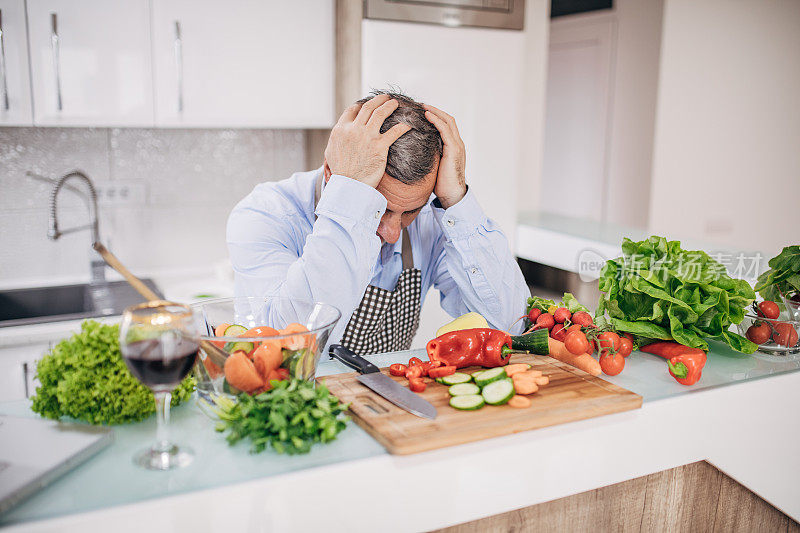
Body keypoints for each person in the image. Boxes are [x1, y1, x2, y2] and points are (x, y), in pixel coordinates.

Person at [227, 90, 529, 355]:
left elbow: (510, 328)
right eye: (378, 210)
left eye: (409, 212)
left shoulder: (429, 221)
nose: (393, 234)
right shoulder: (266, 215)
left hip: (386, 405)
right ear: (333, 174)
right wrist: (350, 199)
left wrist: (457, 200)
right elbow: (287, 346)